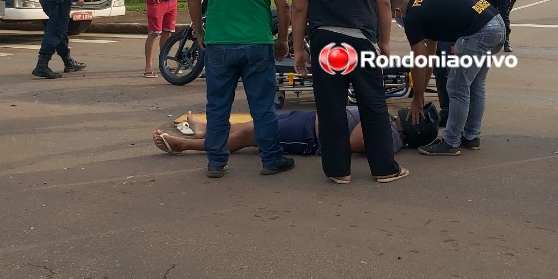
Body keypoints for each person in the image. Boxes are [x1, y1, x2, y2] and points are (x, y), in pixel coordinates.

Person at [290, 0, 409, 184]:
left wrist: (297, 49)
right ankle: (384, 169)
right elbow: (383, 2)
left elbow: (298, 8)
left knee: (331, 107)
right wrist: (385, 43)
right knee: (373, 104)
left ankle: (338, 170)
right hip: (362, 41)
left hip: (325, 41)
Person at [187, 0, 294, 179]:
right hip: (257, 42)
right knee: (263, 106)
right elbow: (283, 5)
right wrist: (282, 38)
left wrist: (199, 31)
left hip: (219, 43)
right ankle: (271, 159)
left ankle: (216, 162)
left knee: (218, 105)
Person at [390, 0, 505, 156]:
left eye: (393, 17)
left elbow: (418, 61)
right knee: (474, 85)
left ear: (397, 11)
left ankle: (451, 142)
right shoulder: (424, 7)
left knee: (457, 87)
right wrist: (420, 93)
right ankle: (471, 136)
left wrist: (416, 98)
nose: (395, 21)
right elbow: (429, 56)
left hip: (479, 31)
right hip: (495, 24)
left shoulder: (412, 17)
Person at [152, 104, 439, 157]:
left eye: (418, 115)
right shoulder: (390, 127)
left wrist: (369, 111)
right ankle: (206, 132)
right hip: (311, 120)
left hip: (309, 135)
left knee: (245, 138)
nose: (412, 111)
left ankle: (185, 145)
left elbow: (355, 142)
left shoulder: (392, 140)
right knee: (250, 126)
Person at [414, 0, 480, 126]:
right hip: (437, 27)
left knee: (454, 75)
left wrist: (465, 27)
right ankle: (446, 111)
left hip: (454, 28)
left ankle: (458, 118)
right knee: (441, 70)